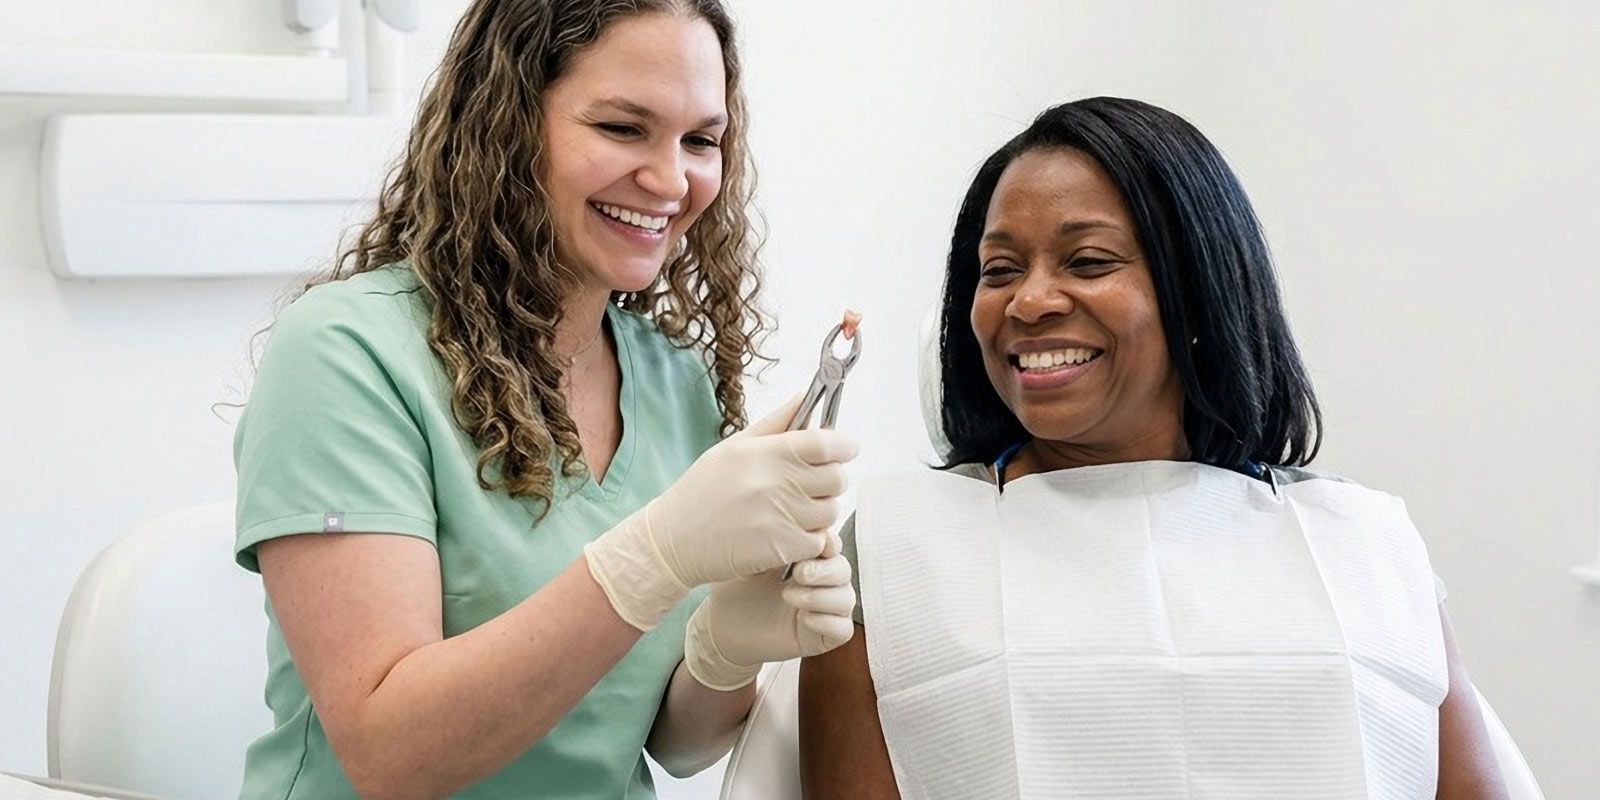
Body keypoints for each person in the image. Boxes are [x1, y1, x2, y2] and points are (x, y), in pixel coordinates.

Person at [799, 97, 1509, 799]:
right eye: (1000, 270)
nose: (1029, 301)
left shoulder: (1363, 545)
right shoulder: (899, 548)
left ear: (1197, 292)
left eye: (1087, 261)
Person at [232, 2, 858, 798]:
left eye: (701, 140)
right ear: (509, 122)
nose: (671, 180)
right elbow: (389, 754)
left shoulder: (674, 384)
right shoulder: (347, 355)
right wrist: (652, 558)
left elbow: (670, 742)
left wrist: (729, 650)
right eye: (625, 128)